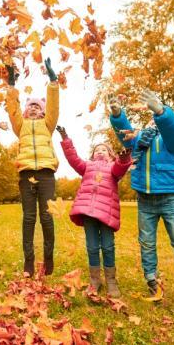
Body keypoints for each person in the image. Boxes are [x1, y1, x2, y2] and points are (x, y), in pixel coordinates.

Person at [109, 89, 174, 310]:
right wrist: (118, 114)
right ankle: (152, 282)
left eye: (155, 115)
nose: (152, 119)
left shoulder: (171, 141)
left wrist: (161, 111)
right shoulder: (139, 139)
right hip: (145, 200)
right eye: (151, 115)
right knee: (147, 244)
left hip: (169, 199)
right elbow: (124, 133)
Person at [57, 125, 131, 297]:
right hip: (88, 212)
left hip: (106, 214)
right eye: (97, 150)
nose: (100, 152)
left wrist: (124, 158)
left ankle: (111, 280)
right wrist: (65, 138)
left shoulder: (113, 167)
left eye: (104, 150)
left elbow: (121, 167)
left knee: (107, 246)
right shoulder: (87, 167)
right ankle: (95, 280)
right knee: (92, 247)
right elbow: (73, 159)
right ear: (92, 155)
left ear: (111, 155)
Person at [5, 58, 59, 277]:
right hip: (26, 173)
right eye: (31, 106)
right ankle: (29, 261)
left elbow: (54, 107)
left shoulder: (48, 124)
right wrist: (11, 85)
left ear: (43, 111)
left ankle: (48, 258)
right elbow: (13, 110)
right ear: (26, 111)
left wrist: (53, 81)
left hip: (46, 173)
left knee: (46, 217)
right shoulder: (21, 126)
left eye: (38, 106)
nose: (34, 108)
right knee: (29, 217)